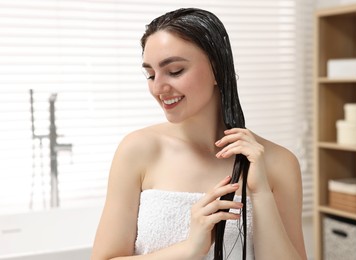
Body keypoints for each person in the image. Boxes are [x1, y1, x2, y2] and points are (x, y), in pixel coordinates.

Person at [91, 7, 307, 260]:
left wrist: (260, 194)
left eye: (175, 71)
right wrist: (190, 248)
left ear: (217, 68)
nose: (158, 87)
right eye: (150, 74)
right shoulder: (138, 150)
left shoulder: (277, 162)